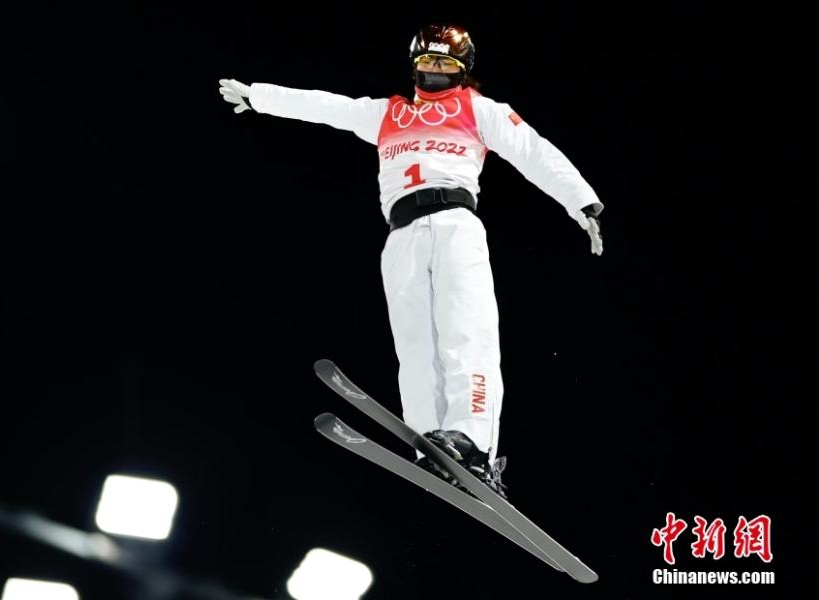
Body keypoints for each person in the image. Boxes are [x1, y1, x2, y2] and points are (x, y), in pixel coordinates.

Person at [219, 23, 603, 499]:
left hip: (455, 224)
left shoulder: (478, 109)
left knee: (465, 330)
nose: (434, 69)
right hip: (401, 234)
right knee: (416, 344)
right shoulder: (388, 114)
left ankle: (474, 443)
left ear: (462, 69)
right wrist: (259, 96)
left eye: (444, 63)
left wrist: (582, 202)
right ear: (414, 64)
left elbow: (533, 150)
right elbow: (327, 107)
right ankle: (431, 444)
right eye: (427, 61)